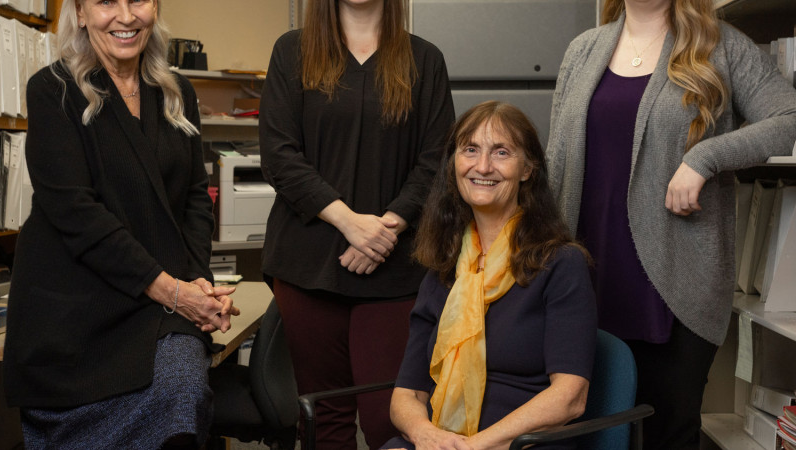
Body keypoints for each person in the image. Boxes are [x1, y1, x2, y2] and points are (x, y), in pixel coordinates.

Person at [546, 0, 796, 448]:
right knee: (585, 435)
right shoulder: (583, 49)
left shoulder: (721, 46)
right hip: (585, 277)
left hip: (676, 283)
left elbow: (788, 118)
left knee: (668, 433)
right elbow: (555, 163)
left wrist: (705, 158)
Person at [2, 1, 240, 448]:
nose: (126, 16)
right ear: (81, 11)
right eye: (107, 1)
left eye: (139, 0)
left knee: (182, 388)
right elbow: (77, 213)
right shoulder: (52, 90)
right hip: (76, 319)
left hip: (156, 308)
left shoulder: (176, 92)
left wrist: (198, 285)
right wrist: (175, 292)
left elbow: (193, 198)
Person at [258, 0, 454, 447]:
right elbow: (280, 156)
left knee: (391, 418)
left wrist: (386, 229)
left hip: (396, 269)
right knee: (323, 417)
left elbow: (437, 160)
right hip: (307, 267)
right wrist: (350, 224)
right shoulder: (292, 52)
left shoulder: (425, 60)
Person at [384, 101, 598, 450]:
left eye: (501, 152)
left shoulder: (561, 263)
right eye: (470, 150)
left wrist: (474, 446)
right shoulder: (443, 267)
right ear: (454, 162)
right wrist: (428, 437)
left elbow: (570, 397)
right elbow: (407, 394)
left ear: (527, 169)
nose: (483, 166)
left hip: (523, 444)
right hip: (444, 440)